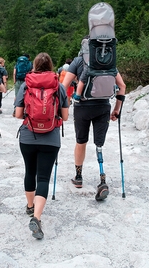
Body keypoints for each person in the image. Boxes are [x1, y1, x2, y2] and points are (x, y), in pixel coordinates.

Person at [62, 37, 126, 201]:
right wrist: (117, 110)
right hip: (103, 106)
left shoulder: (78, 61)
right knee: (99, 143)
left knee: (81, 141)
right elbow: (122, 86)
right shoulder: (108, 61)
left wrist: (65, 103)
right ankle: (102, 180)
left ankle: (78, 177)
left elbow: (64, 86)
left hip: (83, 107)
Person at [14, 52, 69, 239]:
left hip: (28, 137)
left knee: (30, 172)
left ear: (34, 65)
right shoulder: (58, 86)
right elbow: (66, 116)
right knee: (43, 178)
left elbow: (18, 114)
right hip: (51, 138)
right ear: (51, 66)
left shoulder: (26, 85)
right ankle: (37, 217)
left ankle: (30, 207)